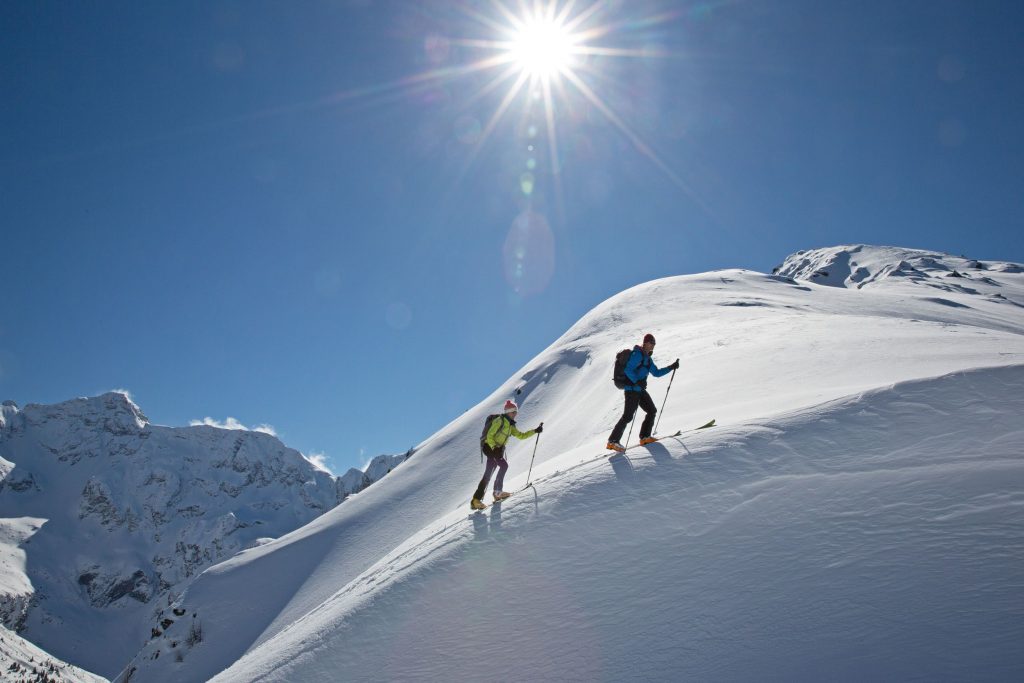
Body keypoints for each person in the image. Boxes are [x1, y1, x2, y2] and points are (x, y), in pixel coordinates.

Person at [606, 333, 678, 452]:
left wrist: (671, 367)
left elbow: (656, 373)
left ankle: (645, 437)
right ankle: (612, 441)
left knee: (652, 410)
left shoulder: (648, 359)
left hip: (640, 390)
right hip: (632, 390)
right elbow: (627, 369)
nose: (653, 346)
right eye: (651, 343)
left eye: (654, 344)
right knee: (628, 416)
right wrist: (637, 382)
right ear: (645, 343)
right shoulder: (637, 354)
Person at [471, 399, 542, 510]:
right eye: (513, 412)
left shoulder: (511, 426)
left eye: (516, 412)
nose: (515, 414)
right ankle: (497, 492)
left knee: (489, 472)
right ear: (508, 412)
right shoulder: (500, 420)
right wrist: (494, 447)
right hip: (489, 447)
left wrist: (535, 431)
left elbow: (521, 435)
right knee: (503, 466)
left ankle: (476, 500)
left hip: (496, 449)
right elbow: (490, 435)